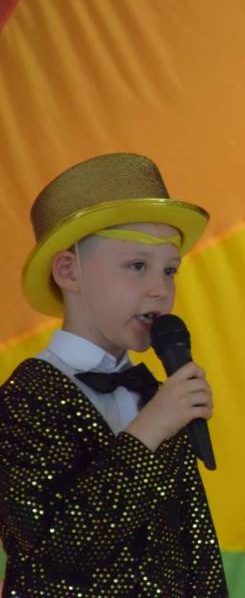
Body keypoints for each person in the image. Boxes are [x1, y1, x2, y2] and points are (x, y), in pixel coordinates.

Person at [0, 153, 227, 596]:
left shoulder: (156, 397)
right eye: (137, 266)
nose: (160, 289)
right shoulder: (25, 397)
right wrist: (149, 431)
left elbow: (194, 542)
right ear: (69, 271)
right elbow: (58, 543)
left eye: (169, 270)